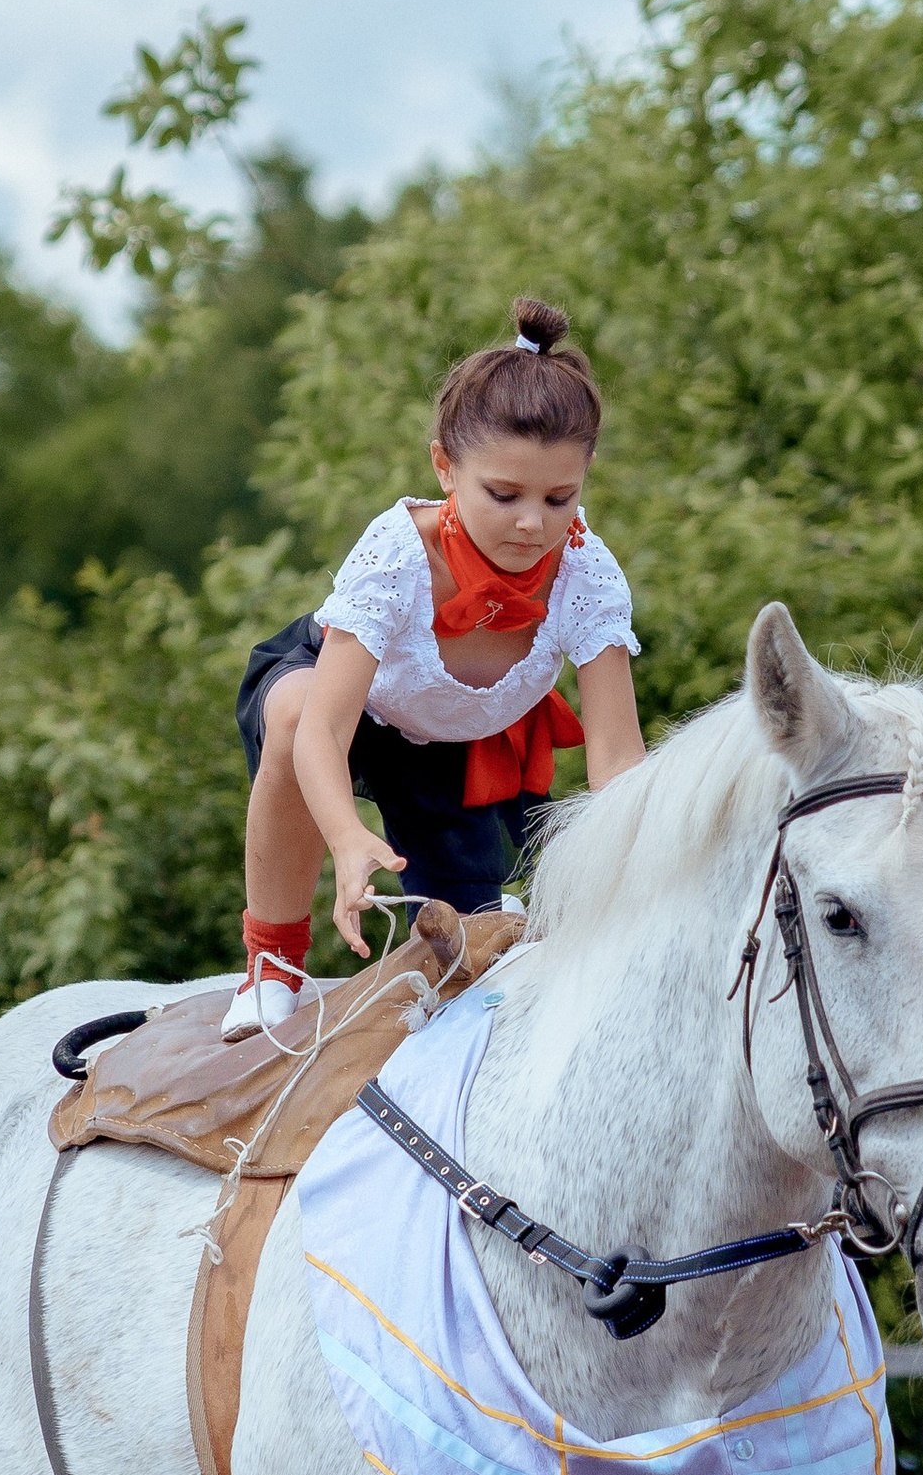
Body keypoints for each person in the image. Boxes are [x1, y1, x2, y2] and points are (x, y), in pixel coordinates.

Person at [226, 297, 646, 1038]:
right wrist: (348, 838)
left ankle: (493, 911)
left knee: (462, 954)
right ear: (445, 467)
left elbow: (617, 763)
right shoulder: (397, 553)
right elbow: (324, 728)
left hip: (458, 742)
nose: (532, 523)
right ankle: (272, 962)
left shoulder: (588, 574)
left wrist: (646, 880)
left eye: (560, 497)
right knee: (294, 713)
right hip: (340, 708)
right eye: (504, 494)